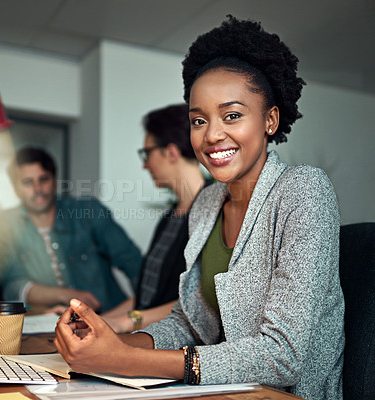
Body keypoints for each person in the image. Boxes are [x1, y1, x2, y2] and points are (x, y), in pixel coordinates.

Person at [54, 16, 344, 400]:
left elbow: (282, 356)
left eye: (233, 115)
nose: (211, 134)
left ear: (270, 120)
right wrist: (115, 342)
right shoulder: (207, 203)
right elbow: (191, 326)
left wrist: (125, 359)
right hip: (222, 388)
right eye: (198, 120)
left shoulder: (303, 191)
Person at [0, 147, 142, 313]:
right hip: (51, 325)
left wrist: (145, 312)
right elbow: (13, 287)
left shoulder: (88, 211)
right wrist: (65, 295)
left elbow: (133, 262)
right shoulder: (7, 224)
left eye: (44, 179)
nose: (38, 189)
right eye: (27, 182)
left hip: (108, 317)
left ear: (55, 181)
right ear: (15, 188)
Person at [101, 104, 207, 332]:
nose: (145, 164)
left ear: (171, 152)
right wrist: (97, 320)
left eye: (147, 153)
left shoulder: (215, 212)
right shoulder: (170, 217)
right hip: (145, 335)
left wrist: (125, 322)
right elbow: (147, 296)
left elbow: (201, 301)